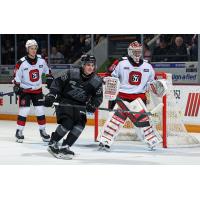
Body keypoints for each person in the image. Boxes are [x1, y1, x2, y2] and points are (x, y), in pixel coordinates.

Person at [98, 41, 165, 151]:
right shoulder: (120, 63)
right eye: (135, 51)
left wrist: (159, 87)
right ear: (129, 52)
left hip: (139, 98)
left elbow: (153, 83)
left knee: (143, 122)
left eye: (139, 51)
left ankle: (151, 141)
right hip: (122, 98)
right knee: (115, 121)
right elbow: (109, 75)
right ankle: (105, 139)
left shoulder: (148, 66)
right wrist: (107, 80)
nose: (137, 53)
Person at [44, 54, 103, 159]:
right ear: (83, 65)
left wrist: (93, 105)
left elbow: (98, 97)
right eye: (88, 65)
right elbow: (57, 83)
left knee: (80, 125)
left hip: (80, 105)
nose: (91, 67)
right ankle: (52, 143)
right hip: (65, 101)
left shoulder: (96, 81)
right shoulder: (72, 73)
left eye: (92, 65)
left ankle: (66, 146)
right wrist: (52, 95)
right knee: (68, 122)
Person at [13, 39, 54, 143]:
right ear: (27, 49)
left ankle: (43, 131)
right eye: (31, 48)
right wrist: (16, 86)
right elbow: (16, 76)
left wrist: (49, 78)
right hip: (25, 90)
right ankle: (19, 131)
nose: (34, 50)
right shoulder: (21, 62)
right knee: (24, 110)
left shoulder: (41, 60)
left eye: (35, 48)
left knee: (40, 110)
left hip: (37, 90)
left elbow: (47, 71)